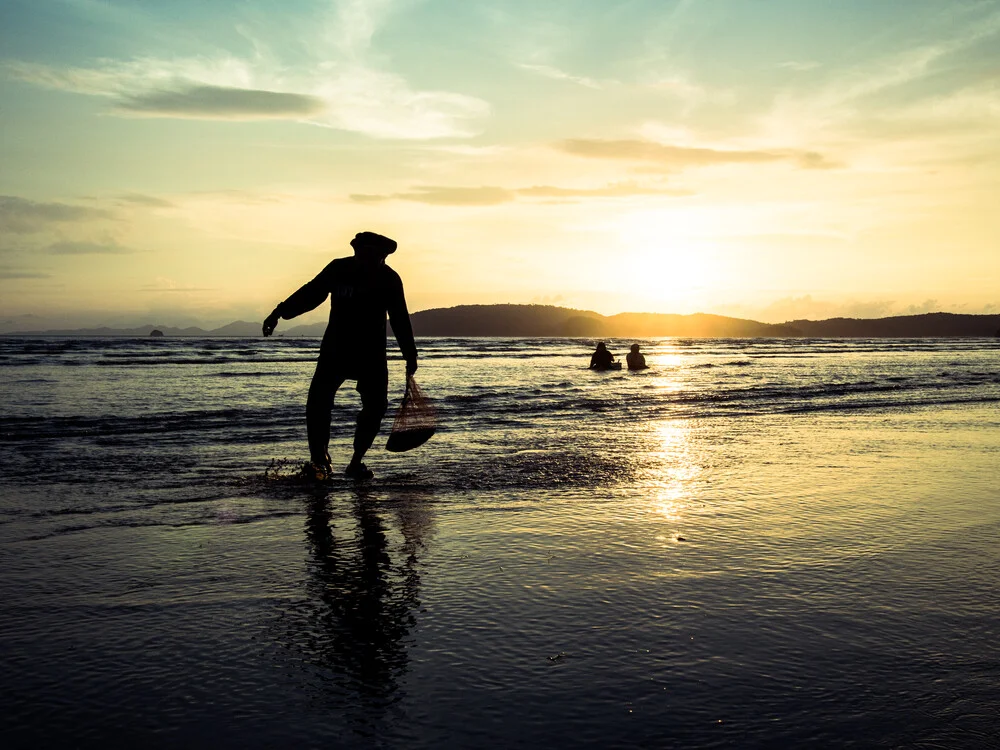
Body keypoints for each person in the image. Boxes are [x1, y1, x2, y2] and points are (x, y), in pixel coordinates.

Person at [262, 231, 417, 481]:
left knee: (376, 408)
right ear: (357, 251)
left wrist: (410, 354)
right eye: (364, 252)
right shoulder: (339, 269)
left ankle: (356, 461)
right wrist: (280, 312)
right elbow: (312, 293)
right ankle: (319, 460)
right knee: (318, 404)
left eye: (376, 255)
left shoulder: (389, 279)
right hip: (336, 349)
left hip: (371, 355)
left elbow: (400, 317)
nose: (368, 258)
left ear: (383, 256)